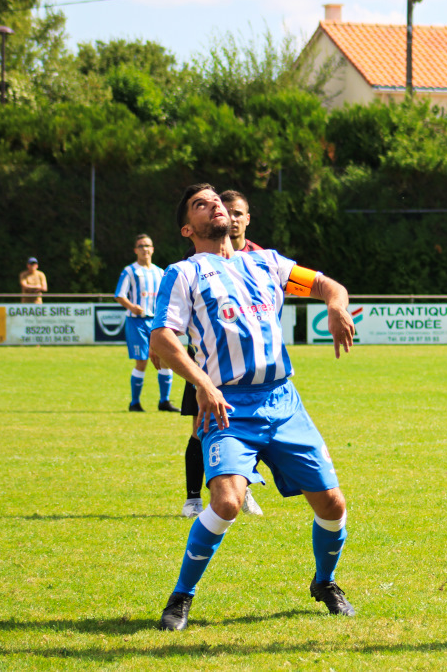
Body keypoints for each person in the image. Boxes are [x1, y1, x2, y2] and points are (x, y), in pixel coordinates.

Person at [151, 183, 357, 629]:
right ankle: (180, 597)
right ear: (189, 227)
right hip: (228, 407)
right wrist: (203, 384)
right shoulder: (184, 273)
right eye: (201, 205)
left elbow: (327, 285)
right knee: (226, 502)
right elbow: (163, 337)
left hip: (283, 402)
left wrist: (337, 306)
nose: (215, 207)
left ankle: (325, 582)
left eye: (218, 201)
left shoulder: (266, 263)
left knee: (333, 505)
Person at [179, 189, 264, 519]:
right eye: (228, 211)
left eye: (239, 213)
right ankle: (192, 497)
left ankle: (244, 492)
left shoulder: (260, 258)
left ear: (246, 219)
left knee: (251, 429)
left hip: (250, 364)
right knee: (200, 428)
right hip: (206, 361)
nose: (233, 217)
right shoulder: (197, 256)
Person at [114, 234, 178, 413]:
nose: (145, 249)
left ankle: (164, 401)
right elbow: (119, 294)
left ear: (153, 249)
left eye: (147, 246)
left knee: (165, 359)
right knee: (142, 362)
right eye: (141, 246)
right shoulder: (130, 271)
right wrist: (132, 307)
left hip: (157, 323)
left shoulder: (160, 272)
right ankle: (134, 403)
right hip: (137, 322)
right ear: (136, 250)